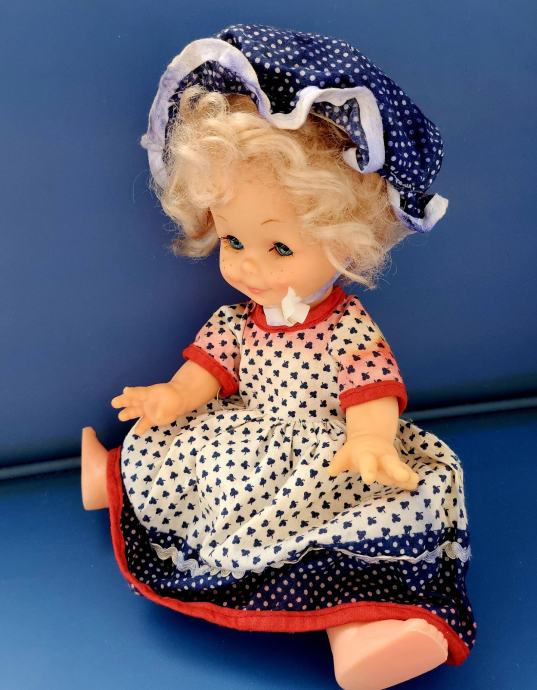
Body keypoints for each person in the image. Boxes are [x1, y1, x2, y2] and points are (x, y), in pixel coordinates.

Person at [81, 24, 476, 690]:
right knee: (173, 451)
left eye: (280, 248)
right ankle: (107, 477)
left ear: (347, 242)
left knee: (363, 524)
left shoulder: (347, 329)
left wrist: (369, 440)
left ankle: (369, 632)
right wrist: (172, 396)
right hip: (241, 438)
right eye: (233, 241)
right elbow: (206, 372)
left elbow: (371, 389)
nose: (248, 267)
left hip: (329, 451)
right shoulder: (237, 322)